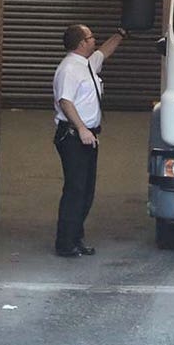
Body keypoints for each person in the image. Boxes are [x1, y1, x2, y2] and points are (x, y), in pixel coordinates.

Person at [52, 23, 126, 258]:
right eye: (91, 37)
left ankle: (76, 236)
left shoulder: (86, 64)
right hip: (74, 136)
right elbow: (66, 101)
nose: (95, 40)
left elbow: (105, 51)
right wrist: (82, 128)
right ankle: (65, 243)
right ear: (81, 43)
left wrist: (122, 34)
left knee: (86, 190)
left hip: (88, 136)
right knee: (75, 189)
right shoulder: (69, 69)